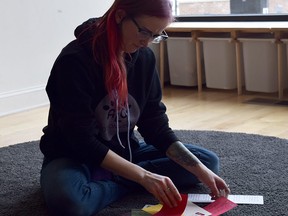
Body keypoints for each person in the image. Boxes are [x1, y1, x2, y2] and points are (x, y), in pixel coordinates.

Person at [39, 0, 230, 215]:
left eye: (156, 35)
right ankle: (129, 181)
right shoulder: (74, 61)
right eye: (144, 32)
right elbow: (81, 140)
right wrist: (142, 176)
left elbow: (155, 123)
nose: (147, 43)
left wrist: (199, 170)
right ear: (120, 16)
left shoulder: (144, 58)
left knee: (207, 163)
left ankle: (120, 178)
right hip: (73, 155)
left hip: (124, 152)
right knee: (70, 202)